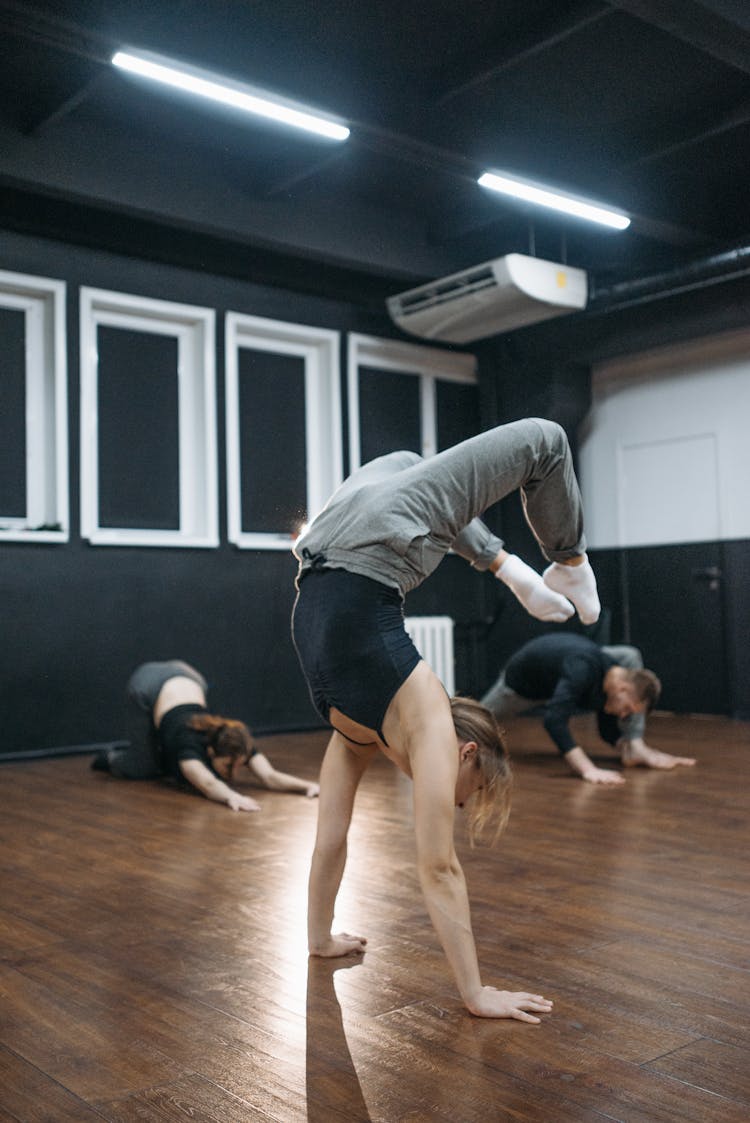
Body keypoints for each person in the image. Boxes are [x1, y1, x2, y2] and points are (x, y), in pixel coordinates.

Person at [292, 417, 602, 1022]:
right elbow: (438, 866)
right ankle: (567, 563)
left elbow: (330, 839)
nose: (453, 804)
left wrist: (320, 937)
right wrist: (475, 993)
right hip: (370, 542)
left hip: (330, 542)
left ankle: (507, 568)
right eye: (469, 796)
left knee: (410, 455)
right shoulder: (427, 716)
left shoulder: (360, 732)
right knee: (546, 441)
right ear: (467, 755)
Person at [91, 659, 320, 810]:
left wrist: (308, 786)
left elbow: (269, 776)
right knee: (144, 767)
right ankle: (108, 756)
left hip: (189, 675)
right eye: (230, 766)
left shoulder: (235, 741)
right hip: (147, 684)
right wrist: (234, 797)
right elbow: (208, 783)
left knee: (165, 763)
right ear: (210, 751)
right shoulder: (188, 743)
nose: (236, 772)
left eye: (239, 765)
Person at [481, 634, 696, 784]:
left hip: (551, 687)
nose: (624, 715)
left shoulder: (608, 683)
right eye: (628, 708)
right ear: (622, 688)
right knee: (471, 721)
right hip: (518, 687)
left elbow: (607, 729)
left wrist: (631, 748)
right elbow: (553, 720)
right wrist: (587, 769)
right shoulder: (582, 669)